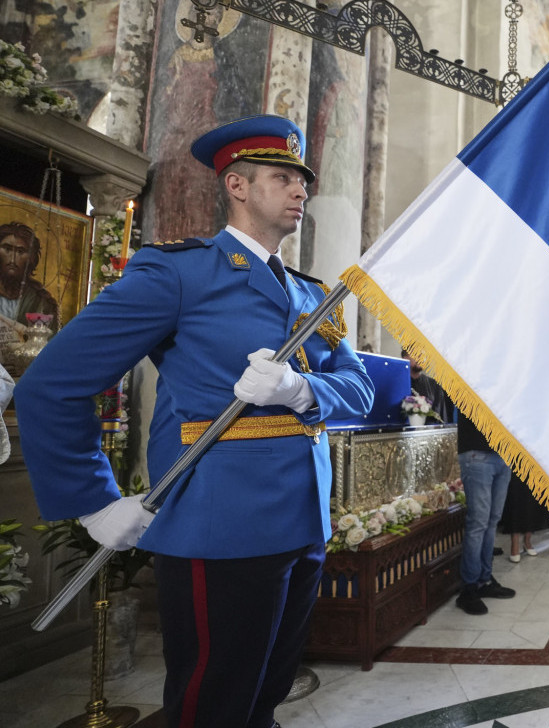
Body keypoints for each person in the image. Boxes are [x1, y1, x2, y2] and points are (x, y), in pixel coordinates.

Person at [17, 114, 376, 728]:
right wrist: (95, 502)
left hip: (305, 519)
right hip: (220, 522)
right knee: (214, 703)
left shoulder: (312, 295)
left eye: (303, 180)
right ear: (236, 185)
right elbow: (52, 384)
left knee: (266, 692)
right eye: (282, 177)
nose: (300, 191)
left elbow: (361, 391)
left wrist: (299, 388)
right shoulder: (180, 273)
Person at [455, 408, 519, 612]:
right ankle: (469, 588)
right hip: (477, 451)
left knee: (492, 522)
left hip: (502, 453)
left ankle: (484, 579)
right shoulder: (472, 376)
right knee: (478, 523)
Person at [0, 221, 60, 334]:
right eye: (7, 249)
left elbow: (50, 343)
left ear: (31, 258)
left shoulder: (42, 302)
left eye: (20, 251)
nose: (12, 259)